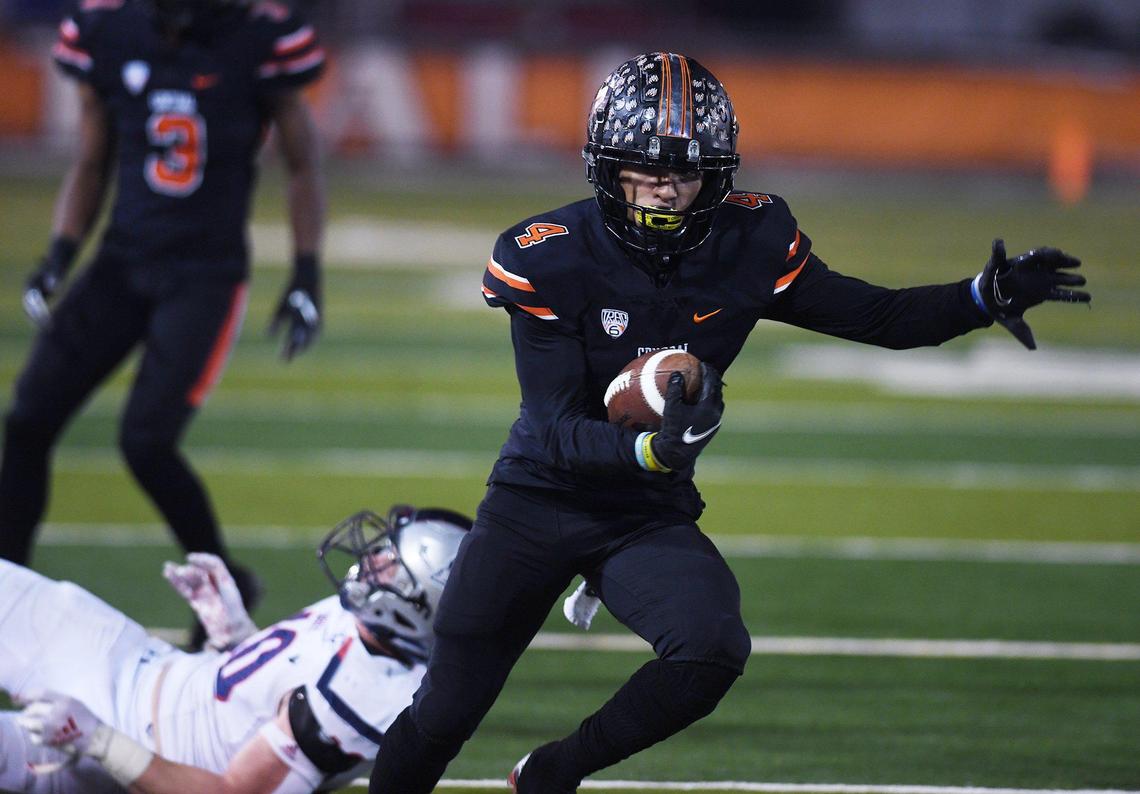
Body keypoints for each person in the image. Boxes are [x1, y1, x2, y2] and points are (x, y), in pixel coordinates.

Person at [367, 52, 1091, 794]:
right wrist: (653, 451)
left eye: (684, 172)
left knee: (710, 648)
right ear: (605, 168)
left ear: (715, 175)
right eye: (646, 169)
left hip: (640, 513)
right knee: (445, 713)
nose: (665, 188)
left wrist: (982, 296)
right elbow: (554, 430)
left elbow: (877, 316)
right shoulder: (548, 255)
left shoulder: (750, 240)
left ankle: (552, 773)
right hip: (541, 497)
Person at [0, 0, 327, 637]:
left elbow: (302, 164)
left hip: (205, 275)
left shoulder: (260, 37)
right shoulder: (108, 29)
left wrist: (307, 271)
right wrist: (61, 252)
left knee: (146, 442)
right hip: (120, 263)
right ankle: (8, 592)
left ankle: (226, 584)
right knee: (28, 419)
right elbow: (91, 158)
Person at [0, 504, 472, 793]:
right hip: (141, 662)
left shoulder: (369, 694)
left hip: (132, 740)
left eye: (390, 566)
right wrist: (237, 636)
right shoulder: (374, 621)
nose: (372, 560)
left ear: (415, 608)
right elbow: (278, 691)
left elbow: (230, 790)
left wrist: (100, 741)